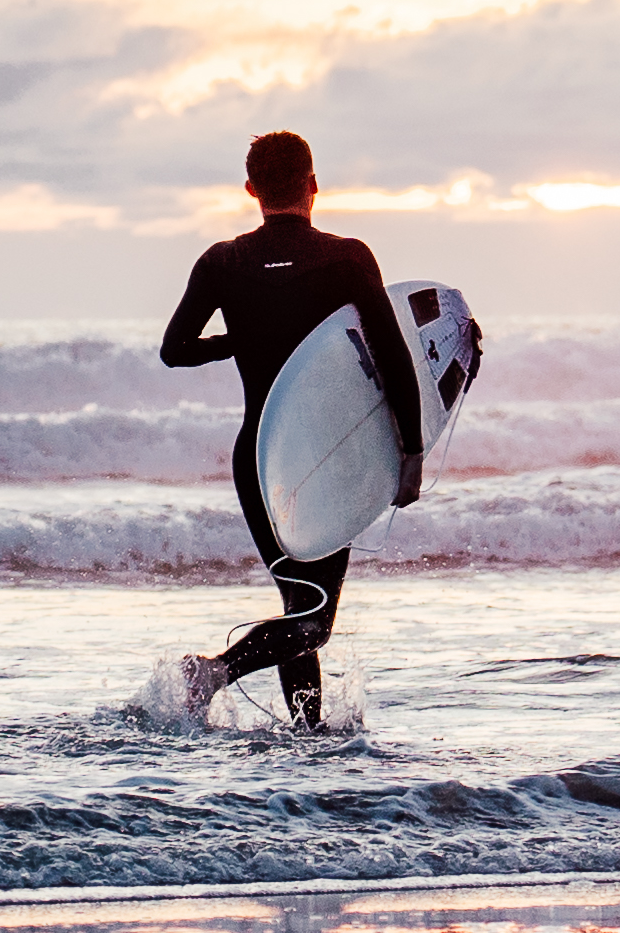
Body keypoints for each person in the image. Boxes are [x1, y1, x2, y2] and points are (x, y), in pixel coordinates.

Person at [153, 126, 423, 729]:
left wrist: (242, 339)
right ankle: (215, 673)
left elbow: (175, 350)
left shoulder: (221, 262)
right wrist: (412, 450)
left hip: (261, 454)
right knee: (314, 618)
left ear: (251, 189)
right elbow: (393, 352)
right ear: (314, 185)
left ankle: (308, 733)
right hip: (329, 453)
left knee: (300, 604)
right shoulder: (348, 256)